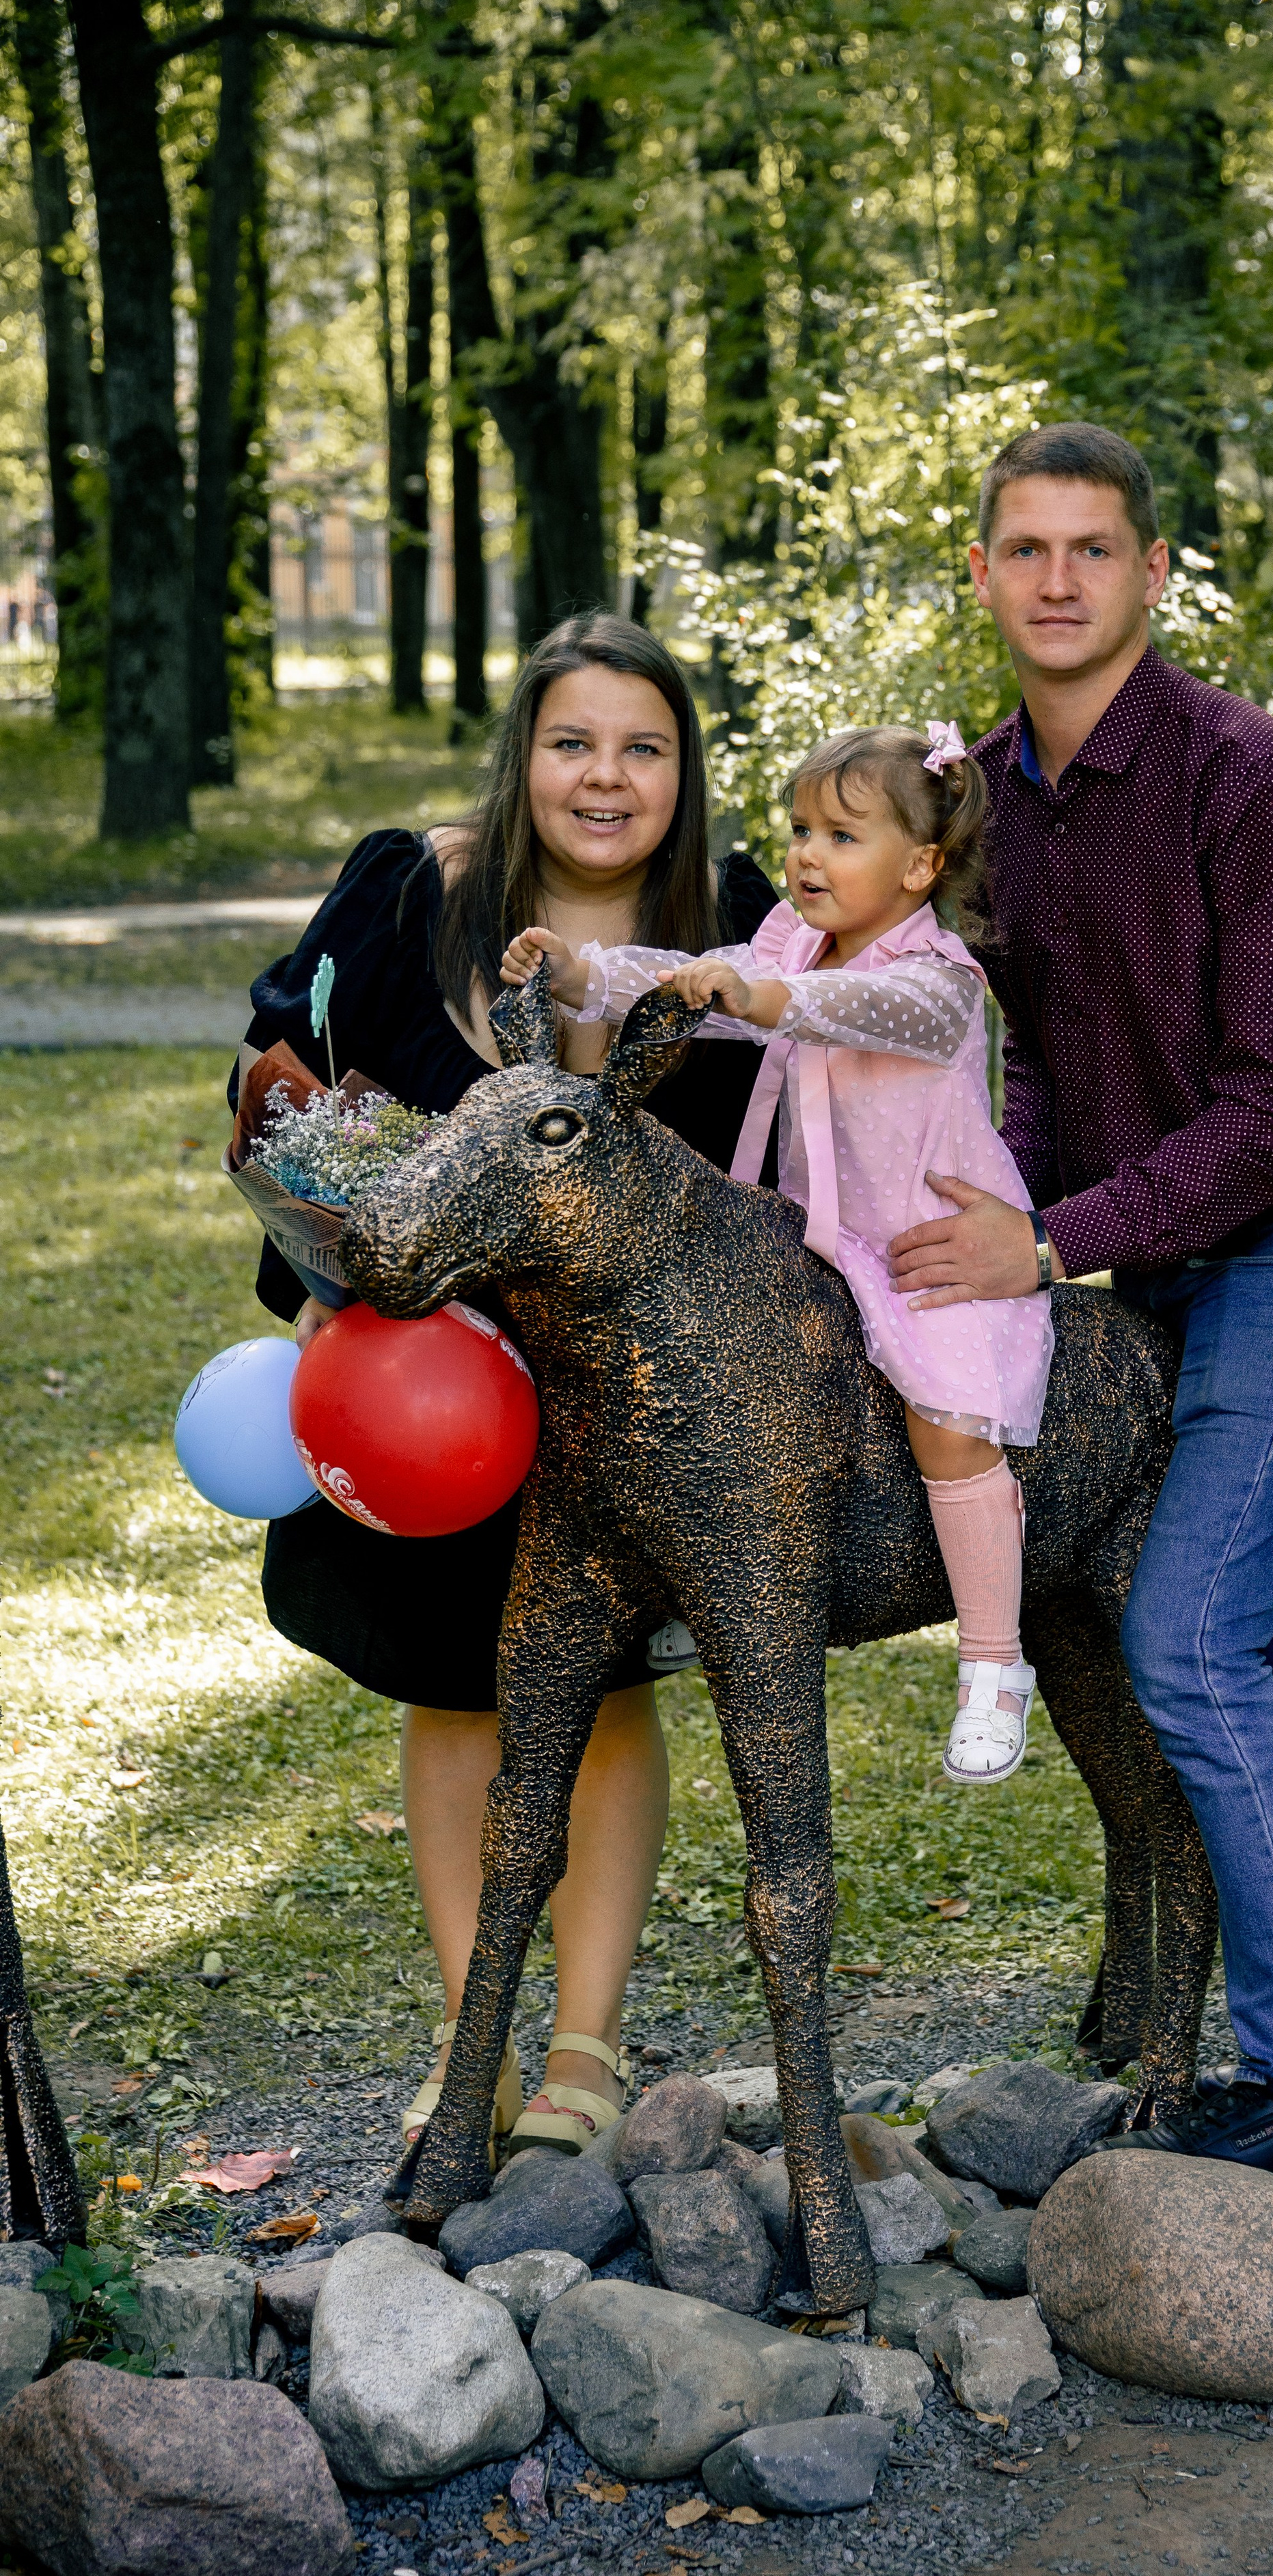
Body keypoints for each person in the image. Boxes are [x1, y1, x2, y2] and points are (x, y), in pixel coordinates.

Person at [888, 422, 1273, 2190]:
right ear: (983, 577)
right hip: (1159, 1260)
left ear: (1153, 573)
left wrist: (1054, 1241)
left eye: (1095, 549)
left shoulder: (1257, 786)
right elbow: (1038, 1058)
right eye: (1026, 550)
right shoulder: (982, 799)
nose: (1058, 580)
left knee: (1193, 1636)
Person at [231, 613, 780, 2157]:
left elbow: (787, 1153)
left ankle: (585, 2051)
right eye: (571, 743)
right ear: (523, 753)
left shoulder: (737, 926)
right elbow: (282, 1055)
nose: (604, 779)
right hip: (426, 1392)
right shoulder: (416, 886)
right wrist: (320, 1195)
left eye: (641, 748)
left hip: (623, 1405)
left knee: (600, 1701)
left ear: (682, 770)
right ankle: (473, 2040)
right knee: (453, 1693)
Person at [502, 723, 1055, 1784]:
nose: (806, 855)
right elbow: (700, 975)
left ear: (920, 867)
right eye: (801, 829)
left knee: (948, 1423)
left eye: (842, 836)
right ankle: (688, 1593)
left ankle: (993, 1660)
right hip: (810, 1232)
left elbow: (855, 1011)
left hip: (925, 1243)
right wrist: (588, 971)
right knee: (715, 1389)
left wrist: (762, 1000)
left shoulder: (935, 978)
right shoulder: (790, 941)